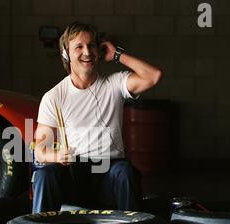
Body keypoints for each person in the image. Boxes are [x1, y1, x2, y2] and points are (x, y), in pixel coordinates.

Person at [32, 21, 162, 213]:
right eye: (79, 46)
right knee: (45, 174)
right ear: (66, 54)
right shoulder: (54, 97)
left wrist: (117, 54)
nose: (87, 52)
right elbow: (40, 150)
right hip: (74, 173)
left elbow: (153, 76)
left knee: (125, 171)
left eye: (91, 45)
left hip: (109, 173)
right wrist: (56, 155)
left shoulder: (114, 84)